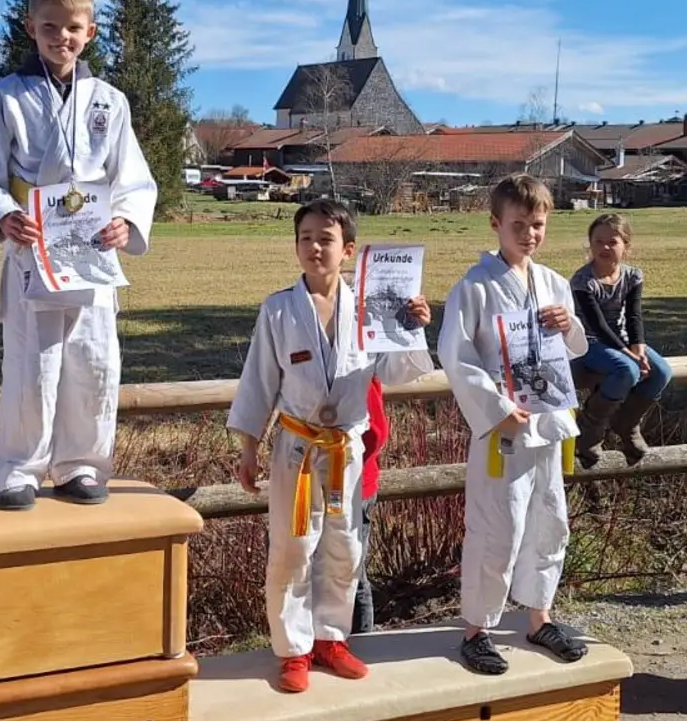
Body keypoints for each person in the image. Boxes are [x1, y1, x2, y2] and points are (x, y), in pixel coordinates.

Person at [0, 0, 158, 511]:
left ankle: (81, 464)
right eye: (50, 27)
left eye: (72, 28)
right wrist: (2, 216)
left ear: (90, 31)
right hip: (33, 248)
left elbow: (134, 179)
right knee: (31, 365)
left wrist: (126, 223)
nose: (61, 38)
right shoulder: (6, 96)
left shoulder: (110, 101)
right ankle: (19, 469)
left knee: (93, 363)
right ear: (31, 29)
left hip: (91, 253)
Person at [229, 199, 433, 693]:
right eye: (306, 238)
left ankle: (331, 639)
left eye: (326, 238)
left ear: (349, 250)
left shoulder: (370, 307)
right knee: (293, 547)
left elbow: (395, 371)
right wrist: (249, 445)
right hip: (296, 448)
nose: (315, 247)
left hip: (345, 448)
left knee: (343, 547)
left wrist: (412, 327)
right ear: (296, 246)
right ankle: (294, 650)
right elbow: (259, 381)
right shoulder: (279, 309)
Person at [438, 174, 590, 676]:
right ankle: (476, 629)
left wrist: (567, 325)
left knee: (549, 521)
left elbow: (576, 347)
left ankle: (538, 617)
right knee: (495, 529)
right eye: (519, 224)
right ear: (496, 224)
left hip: (546, 423)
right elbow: (456, 355)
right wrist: (494, 406)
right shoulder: (475, 288)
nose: (529, 234)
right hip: (502, 428)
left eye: (538, 225)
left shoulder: (554, 283)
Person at [570, 213, 673, 467]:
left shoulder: (632, 276)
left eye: (612, 242)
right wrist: (630, 357)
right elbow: (598, 326)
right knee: (626, 369)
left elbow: (634, 317)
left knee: (661, 371)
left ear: (626, 246)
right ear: (590, 244)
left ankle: (626, 422)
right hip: (590, 342)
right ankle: (590, 427)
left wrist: (638, 349)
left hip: (624, 342)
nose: (605, 247)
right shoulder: (583, 281)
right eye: (598, 241)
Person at [352, 376, 390, 636]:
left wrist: (349, 460)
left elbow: (377, 433)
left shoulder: (360, 369)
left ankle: (363, 639)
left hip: (357, 484)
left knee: (354, 571)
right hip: (329, 481)